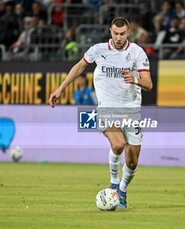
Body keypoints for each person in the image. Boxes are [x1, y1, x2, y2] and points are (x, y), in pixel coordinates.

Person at [49, 17, 153, 208]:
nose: (119, 37)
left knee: (131, 162)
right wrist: (60, 89)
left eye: (122, 34)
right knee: (119, 144)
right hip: (107, 107)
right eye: (115, 33)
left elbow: (149, 84)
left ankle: (122, 190)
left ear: (128, 32)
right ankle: (113, 182)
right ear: (110, 31)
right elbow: (79, 67)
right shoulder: (98, 50)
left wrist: (136, 80)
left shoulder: (137, 52)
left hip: (131, 110)